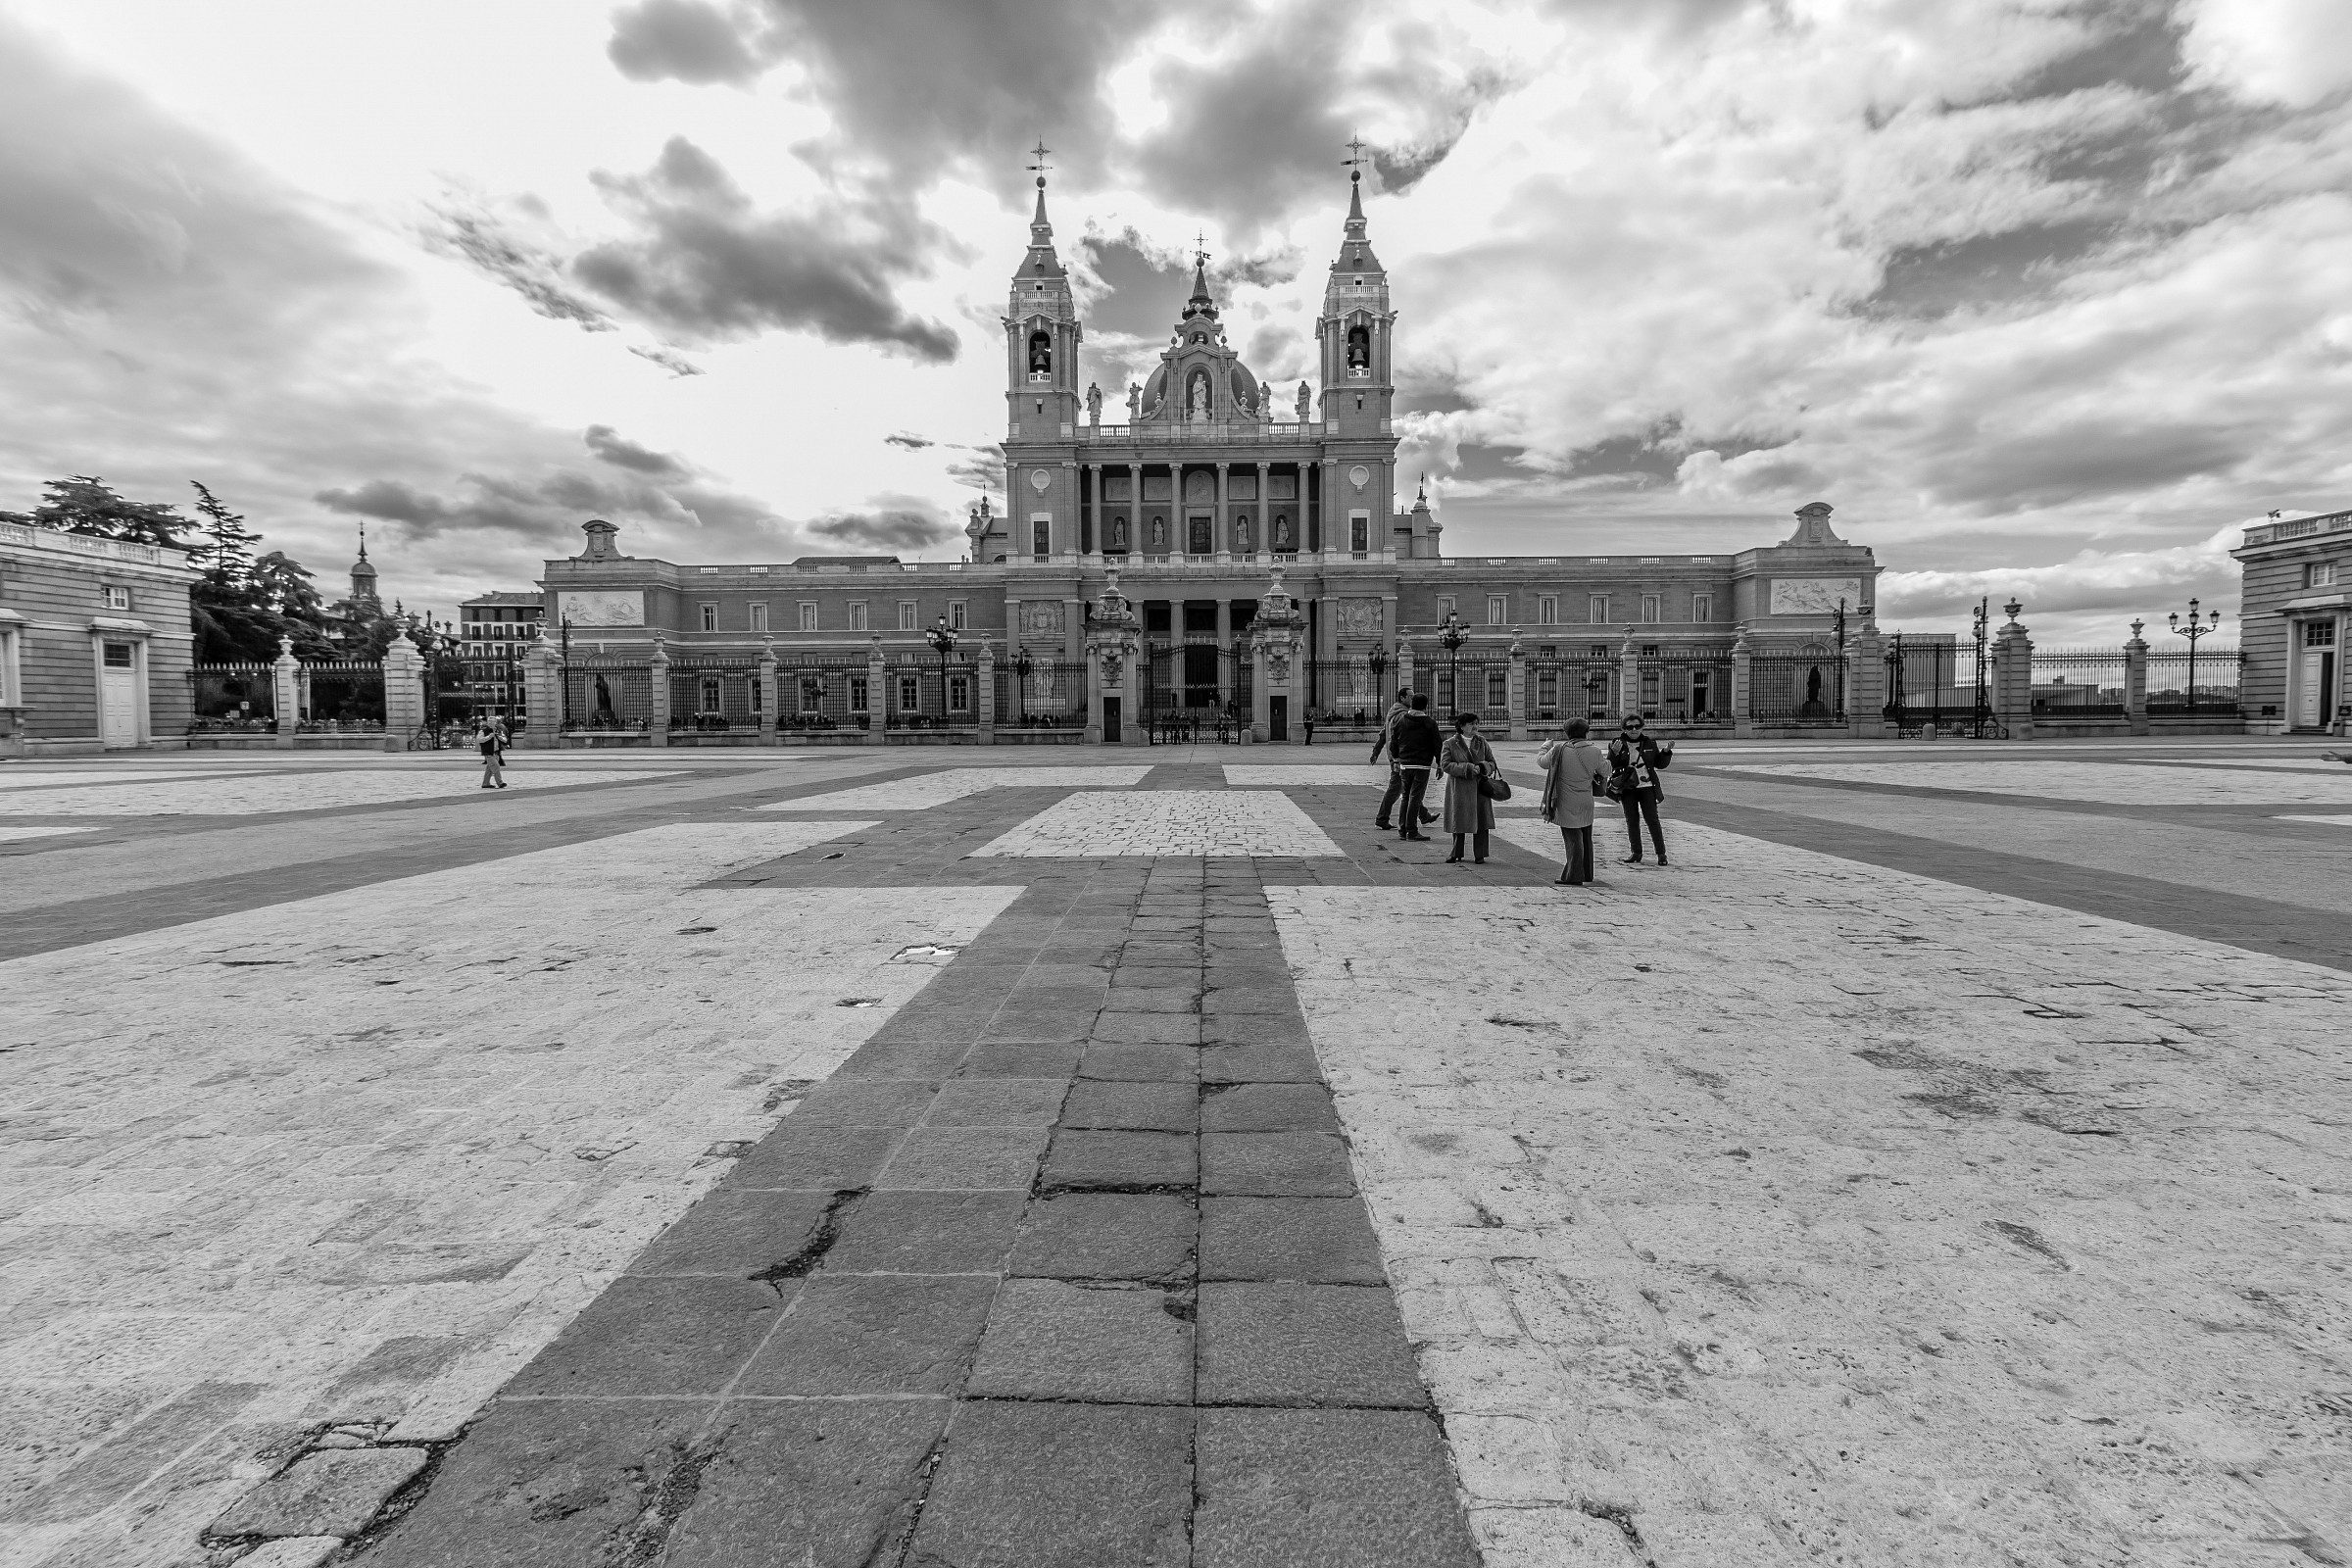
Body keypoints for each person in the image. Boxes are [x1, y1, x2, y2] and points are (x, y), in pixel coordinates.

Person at [1537, 716, 1607, 885]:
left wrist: (1545, 746)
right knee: (1585, 837)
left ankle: (1573, 876)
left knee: (1573, 840)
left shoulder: (1559, 750)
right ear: (1586, 732)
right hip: (1586, 800)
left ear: (1567, 733)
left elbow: (1542, 762)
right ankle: (1587, 873)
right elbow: (1605, 770)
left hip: (1566, 801)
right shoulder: (1594, 751)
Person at [1606, 713, 1673, 864]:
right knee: (1632, 820)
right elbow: (1610, 766)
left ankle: (1661, 854)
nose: (1634, 729)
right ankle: (1636, 852)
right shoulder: (1618, 743)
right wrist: (1614, 753)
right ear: (1624, 729)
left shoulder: (1649, 743)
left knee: (1652, 820)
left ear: (1642, 727)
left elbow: (1659, 764)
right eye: (1629, 727)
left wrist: (1666, 752)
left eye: (1637, 726)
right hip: (1628, 787)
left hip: (1647, 786)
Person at [1439, 710, 1498, 863]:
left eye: (1476, 723)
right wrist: (1469, 768)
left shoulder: (1482, 742)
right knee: (1458, 821)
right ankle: (1456, 852)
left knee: (1481, 822)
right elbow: (1445, 765)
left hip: (1480, 788)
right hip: (1459, 789)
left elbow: (1492, 763)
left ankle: (1480, 854)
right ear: (1462, 726)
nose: (1475, 726)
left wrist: (1483, 767)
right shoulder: (1450, 743)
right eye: (1472, 724)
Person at [1389, 693, 1443, 841]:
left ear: (1412, 704)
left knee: (1406, 796)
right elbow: (1437, 745)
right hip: (1422, 765)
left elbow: (1394, 741)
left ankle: (1402, 829)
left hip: (1405, 764)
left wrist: (1396, 759)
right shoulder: (1430, 723)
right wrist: (1439, 764)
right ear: (1425, 706)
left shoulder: (1401, 721)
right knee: (1415, 797)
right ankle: (1412, 831)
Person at [477, 716, 508, 789]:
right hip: (489, 752)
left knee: (490, 769)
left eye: (492, 721)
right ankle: (500, 783)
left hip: (496, 752)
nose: (490, 723)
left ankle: (485, 783)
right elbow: (479, 740)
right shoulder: (483, 731)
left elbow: (505, 739)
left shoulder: (498, 730)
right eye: (489, 721)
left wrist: (501, 738)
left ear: (495, 722)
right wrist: (489, 737)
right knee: (496, 767)